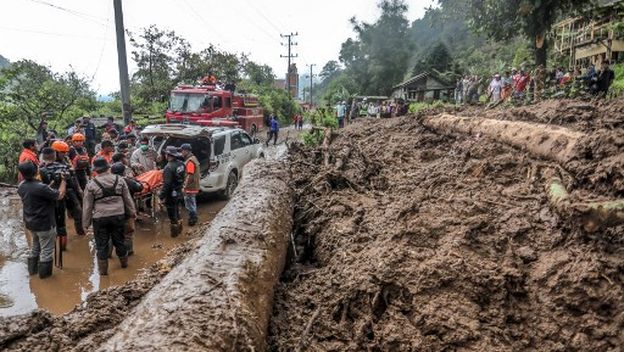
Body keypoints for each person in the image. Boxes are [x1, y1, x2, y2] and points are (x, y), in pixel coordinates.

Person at [83, 157, 136, 275]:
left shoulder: (91, 184)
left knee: (101, 245)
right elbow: (127, 199)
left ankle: (103, 274)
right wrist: (132, 212)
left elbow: (87, 206)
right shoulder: (120, 180)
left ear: (95, 170)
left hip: (100, 218)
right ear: (108, 168)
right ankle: (124, 265)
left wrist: (85, 224)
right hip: (118, 215)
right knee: (120, 241)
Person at [17, 161, 65, 279]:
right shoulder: (41, 187)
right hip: (45, 224)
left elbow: (38, 192)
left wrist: (51, 184)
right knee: (46, 251)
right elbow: (60, 195)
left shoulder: (21, 186)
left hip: (31, 223)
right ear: (36, 172)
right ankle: (45, 279)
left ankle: (32, 273)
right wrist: (64, 181)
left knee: (35, 248)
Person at [52, 140, 85, 236]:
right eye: (62, 152)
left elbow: (73, 175)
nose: (64, 154)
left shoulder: (66, 160)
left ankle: (80, 233)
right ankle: (61, 237)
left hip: (70, 189)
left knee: (78, 210)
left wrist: (78, 189)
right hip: (57, 192)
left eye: (65, 152)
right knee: (59, 215)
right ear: (56, 152)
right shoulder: (49, 164)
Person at [111, 162, 143, 256]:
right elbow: (140, 188)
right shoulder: (128, 181)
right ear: (124, 172)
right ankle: (128, 252)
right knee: (128, 233)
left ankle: (108, 254)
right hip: (127, 210)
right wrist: (136, 180)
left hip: (112, 211)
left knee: (111, 233)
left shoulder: (107, 181)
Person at [160, 146, 185, 237]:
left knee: (171, 213)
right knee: (177, 210)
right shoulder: (181, 164)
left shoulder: (168, 167)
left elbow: (167, 184)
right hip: (179, 191)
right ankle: (180, 229)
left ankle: (175, 235)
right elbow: (183, 176)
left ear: (168, 155)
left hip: (171, 193)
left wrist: (161, 196)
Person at [180, 144, 200, 227]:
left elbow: (190, 175)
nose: (181, 152)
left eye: (182, 151)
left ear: (186, 151)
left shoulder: (190, 161)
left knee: (190, 204)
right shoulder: (193, 158)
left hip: (190, 187)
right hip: (194, 185)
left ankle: (193, 219)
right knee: (192, 202)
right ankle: (193, 217)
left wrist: (184, 186)